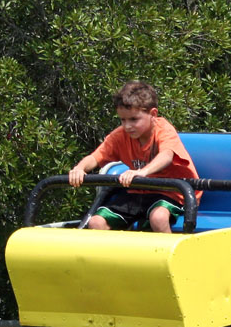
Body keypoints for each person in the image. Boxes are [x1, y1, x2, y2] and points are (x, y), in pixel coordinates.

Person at [68, 81, 199, 233]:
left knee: (158, 218)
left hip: (172, 192)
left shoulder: (163, 130)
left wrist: (142, 172)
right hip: (139, 192)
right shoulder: (120, 135)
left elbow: (167, 155)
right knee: (96, 222)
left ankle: (168, 255)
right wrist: (80, 168)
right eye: (123, 120)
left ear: (153, 115)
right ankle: (114, 256)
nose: (127, 126)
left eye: (133, 119)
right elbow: (97, 156)